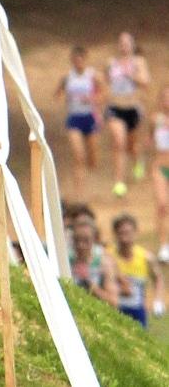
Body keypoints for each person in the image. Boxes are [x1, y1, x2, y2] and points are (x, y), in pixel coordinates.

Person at [104, 32, 150, 197]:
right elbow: (106, 82)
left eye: (127, 43)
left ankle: (138, 160)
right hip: (115, 107)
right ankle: (119, 182)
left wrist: (130, 74)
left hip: (132, 108)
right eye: (121, 42)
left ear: (132, 45)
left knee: (132, 145)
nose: (123, 46)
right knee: (118, 142)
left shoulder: (138, 62)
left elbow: (145, 82)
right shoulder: (111, 63)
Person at [55, 46, 103, 198]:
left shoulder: (93, 76)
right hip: (74, 118)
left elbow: (104, 93)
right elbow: (57, 93)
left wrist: (93, 99)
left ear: (85, 59)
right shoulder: (67, 77)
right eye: (75, 60)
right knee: (78, 155)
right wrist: (64, 99)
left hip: (89, 116)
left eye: (81, 59)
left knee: (92, 155)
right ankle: (79, 192)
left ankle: (93, 183)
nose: (78, 62)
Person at [107, 214, 165, 327]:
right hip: (113, 309)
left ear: (135, 232)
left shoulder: (146, 258)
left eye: (128, 232)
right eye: (121, 233)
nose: (125, 238)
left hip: (137, 311)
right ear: (115, 234)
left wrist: (158, 300)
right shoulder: (108, 255)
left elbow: (158, 278)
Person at [69, 216, 119, 308]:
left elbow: (113, 302)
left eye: (86, 240)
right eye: (77, 240)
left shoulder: (103, 264)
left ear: (94, 239)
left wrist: (88, 283)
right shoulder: (66, 262)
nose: (81, 245)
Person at [151, 86, 169, 263]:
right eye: (165, 98)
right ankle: (164, 245)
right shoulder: (155, 119)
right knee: (162, 205)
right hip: (160, 167)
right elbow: (149, 141)